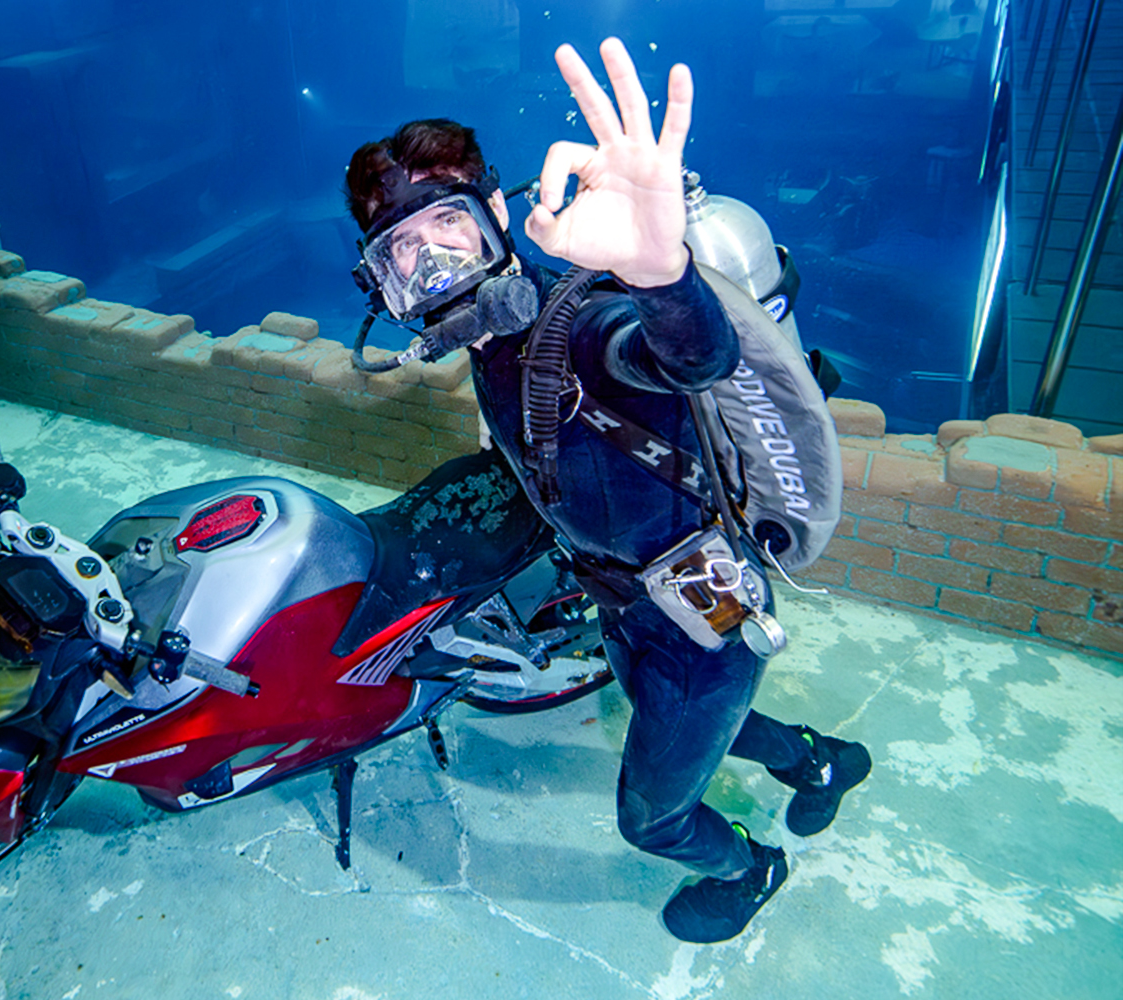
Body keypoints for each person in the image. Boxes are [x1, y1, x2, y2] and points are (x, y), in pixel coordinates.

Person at [343, 38, 871, 944]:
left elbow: (689, 355)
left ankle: (752, 869)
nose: (433, 267)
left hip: (704, 619)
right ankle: (822, 763)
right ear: (379, 277)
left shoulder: (578, 322)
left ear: (494, 213)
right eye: (404, 251)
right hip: (627, 610)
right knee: (689, 725)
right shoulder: (489, 347)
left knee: (653, 815)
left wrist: (661, 276)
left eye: (449, 227)